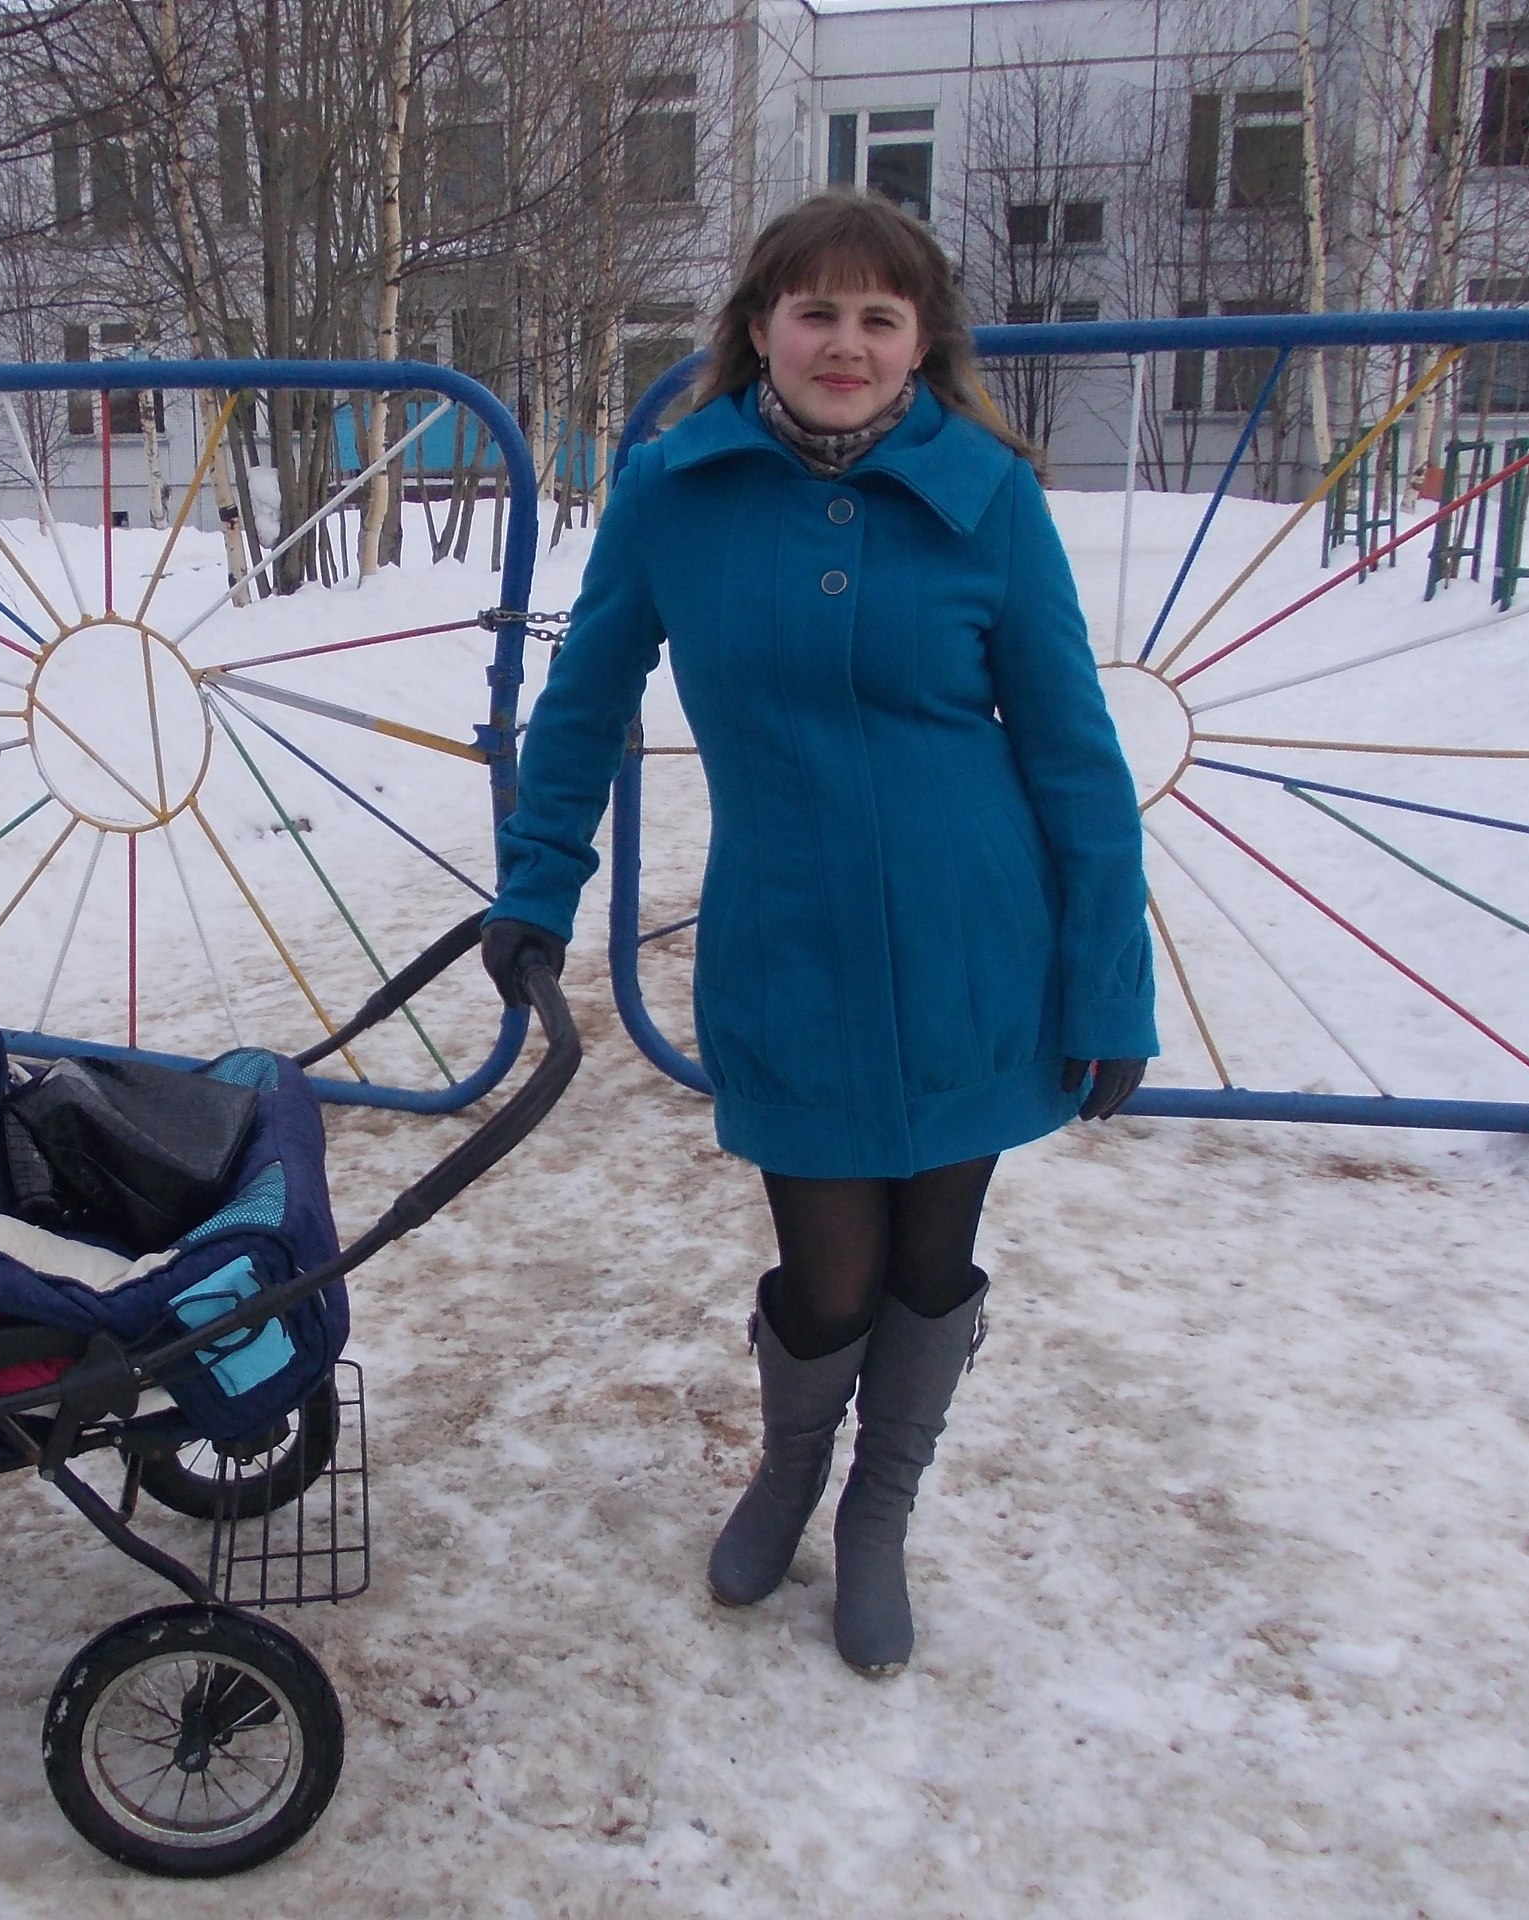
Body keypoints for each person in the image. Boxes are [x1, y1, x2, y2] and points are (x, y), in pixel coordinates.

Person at [478, 190, 1156, 1676]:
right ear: (759, 327)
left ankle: (878, 1510)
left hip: (977, 945)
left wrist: (1109, 982)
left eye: (879, 317)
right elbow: (584, 707)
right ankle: (789, 1471)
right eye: (817, 312)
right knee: (826, 1266)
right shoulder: (673, 491)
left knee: (933, 1259)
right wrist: (536, 888)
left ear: (922, 342)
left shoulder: (988, 495)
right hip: (787, 946)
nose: (845, 343)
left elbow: (1074, 755)